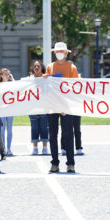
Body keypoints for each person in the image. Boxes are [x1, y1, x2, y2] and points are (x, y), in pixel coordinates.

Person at [43, 42, 78, 173]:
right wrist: (44, 77)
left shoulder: (71, 67)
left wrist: (65, 105)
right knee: (52, 135)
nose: (59, 54)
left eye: (61, 51)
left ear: (65, 53)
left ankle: (70, 163)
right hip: (52, 105)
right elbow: (46, 85)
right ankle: (55, 163)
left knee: (68, 135)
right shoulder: (50, 66)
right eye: (57, 51)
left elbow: (75, 87)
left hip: (66, 105)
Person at [28, 60, 49, 155]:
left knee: (44, 128)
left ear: (42, 68)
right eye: (35, 66)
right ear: (32, 68)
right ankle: (35, 148)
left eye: (38, 66)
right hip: (33, 108)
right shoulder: (29, 80)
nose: (36, 68)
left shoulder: (46, 78)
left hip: (44, 107)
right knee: (34, 128)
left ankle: (45, 147)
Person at [0, 68, 15, 156]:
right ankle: (3, 148)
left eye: (8, 74)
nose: (7, 76)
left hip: (10, 109)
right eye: (5, 74)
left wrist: (13, 79)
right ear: (1, 75)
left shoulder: (11, 84)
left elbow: (18, 89)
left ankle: (9, 148)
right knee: (2, 129)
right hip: (1, 109)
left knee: (9, 129)